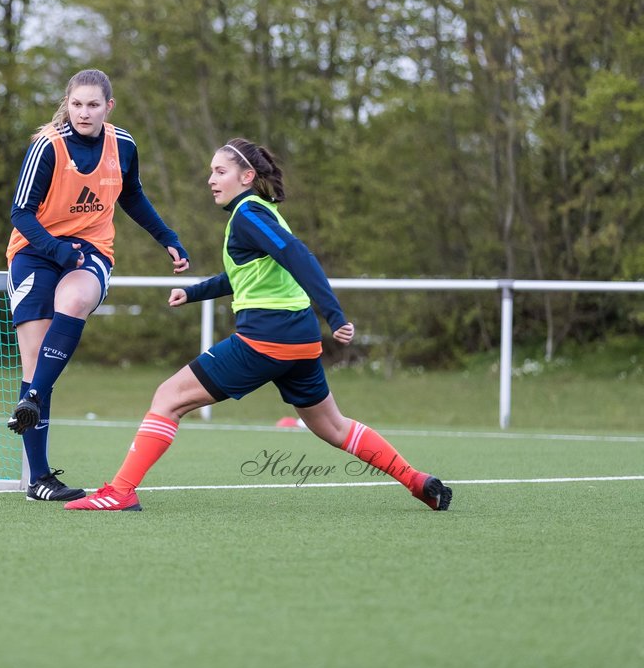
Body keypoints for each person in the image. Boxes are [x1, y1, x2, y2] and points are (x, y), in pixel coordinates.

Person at [65, 138, 453, 512]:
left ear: (246, 176)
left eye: (220, 171)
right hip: (300, 342)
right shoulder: (256, 215)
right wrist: (194, 292)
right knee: (333, 427)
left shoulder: (249, 213)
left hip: (267, 339)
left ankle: (119, 493)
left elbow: (298, 255)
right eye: (210, 173)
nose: (211, 180)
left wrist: (335, 315)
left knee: (168, 398)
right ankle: (417, 481)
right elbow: (246, 274)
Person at [5, 68, 190, 502]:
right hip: (35, 250)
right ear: (66, 104)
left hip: (89, 249)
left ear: (109, 107)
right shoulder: (48, 147)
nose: (83, 113)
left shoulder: (122, 144)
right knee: (34, 361)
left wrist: (168, 238)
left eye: (92, 105)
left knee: (77, 296)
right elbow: (21, 214)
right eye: (76, 104)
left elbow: (132, 195)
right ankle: (39, 481)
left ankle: (31, 398)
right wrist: (56, 251)